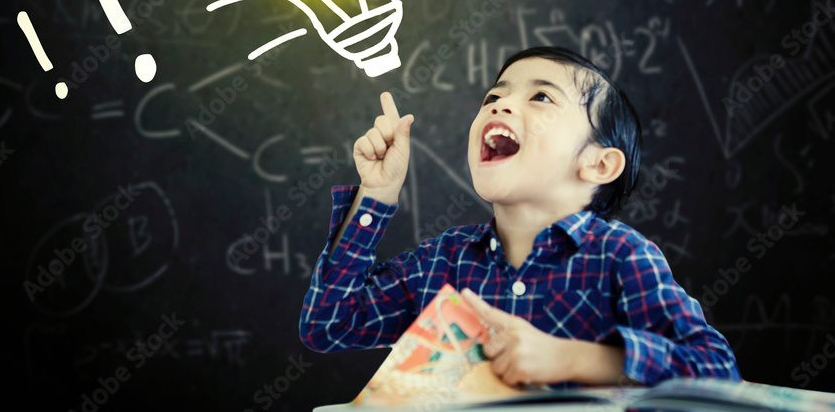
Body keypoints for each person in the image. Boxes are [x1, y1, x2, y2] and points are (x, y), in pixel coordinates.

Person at [299, 46, 741, 388]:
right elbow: (329, 324)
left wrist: (577, 359)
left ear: (599, 165)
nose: (499, 105)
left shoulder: (622, 257)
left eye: (542, 96)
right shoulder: (442, 262)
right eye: (494, 95)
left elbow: (718, 371)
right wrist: (377, 194)